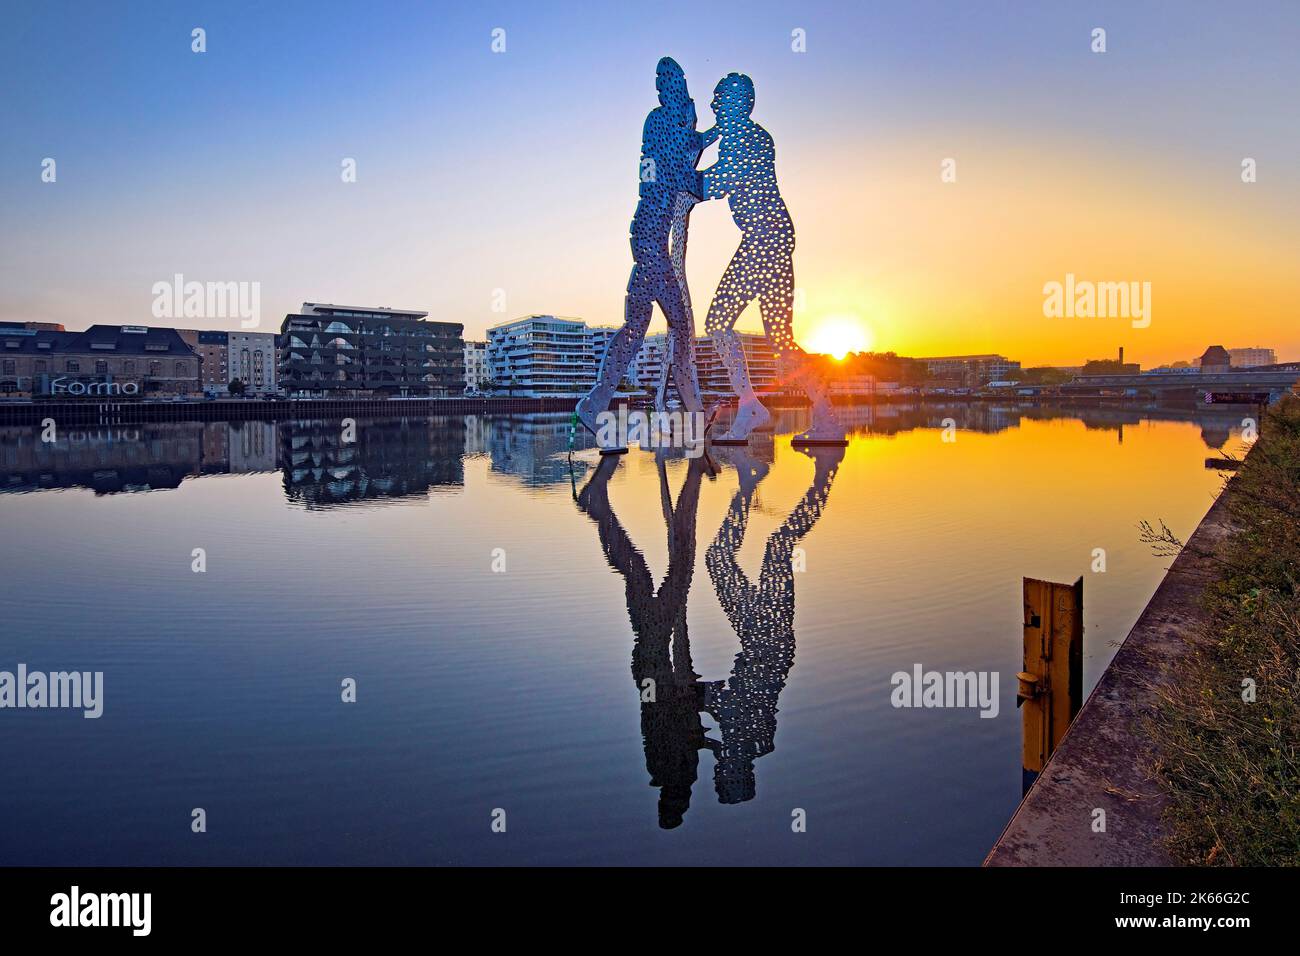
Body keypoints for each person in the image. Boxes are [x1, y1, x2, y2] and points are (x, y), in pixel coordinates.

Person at [576, 58, 716, 447]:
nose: (683, 95)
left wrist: (709, 136)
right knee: (680, 328)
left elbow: (683, 154)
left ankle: (595, 403)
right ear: (671, 92)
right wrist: (718, 157)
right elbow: (685, 173)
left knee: (636, 328)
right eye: (678, 87)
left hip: (647, 238)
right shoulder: (662, 126)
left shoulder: (663, 127)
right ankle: (693, 413)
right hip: (651, 242)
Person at [700, 73, 846, 444]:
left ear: (738, 103)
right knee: (780, 339)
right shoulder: (746, 136)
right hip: (772, 237)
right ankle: (826, 417)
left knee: (718, 322)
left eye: (719, 99)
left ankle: (751, 406)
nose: (713, 105)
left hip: (764, 239)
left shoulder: (747, 138)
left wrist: (676, 176)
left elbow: (718, 182)